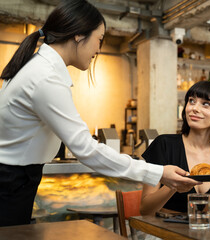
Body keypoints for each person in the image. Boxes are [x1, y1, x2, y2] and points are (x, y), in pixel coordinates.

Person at [0, 0, 199, 227]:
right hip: (11, 182)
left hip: (16, 179)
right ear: (77, 35)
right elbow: (86, 149)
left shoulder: (37, 67)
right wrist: (158, 173)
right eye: (99, 39)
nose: (98, 49)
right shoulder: (45, 77)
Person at [140, 80, 210, 215]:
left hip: (209, 229)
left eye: (206, 104)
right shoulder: (163, 144)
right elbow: (145, 210)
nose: (194, 108)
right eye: (191, 101)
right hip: (164, 228)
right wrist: (174, 186)